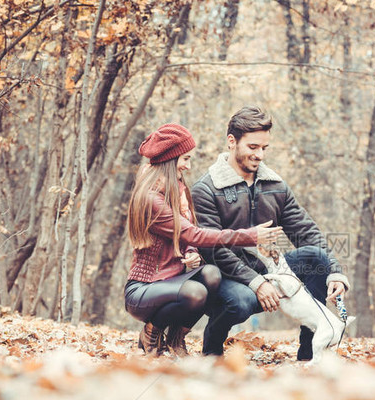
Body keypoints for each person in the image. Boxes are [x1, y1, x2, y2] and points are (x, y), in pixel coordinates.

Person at [191, 107, 350, 360]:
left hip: (270, 271)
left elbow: (306, 231)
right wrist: (257, 283)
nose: (260, 155)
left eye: (264, 148)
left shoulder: (275, 186)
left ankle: (310, 353)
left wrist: (335, 272)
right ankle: (212, 350)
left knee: (316, 257)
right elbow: (211, 249)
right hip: (226, 277)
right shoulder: (206, 189)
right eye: (253, 147)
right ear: (232, 142)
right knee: (240, 302)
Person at [124, 123, 282, 356]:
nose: (188, 166)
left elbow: (188, 235)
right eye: (184, 159)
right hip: (145, 288)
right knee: (196, 293)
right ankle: (151, 330)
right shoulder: (150, 199)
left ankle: (177, 337)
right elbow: (192, 233)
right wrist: (248, 236)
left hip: (172, 280)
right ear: (170, 159)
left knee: (211, 274)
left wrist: (191, 252)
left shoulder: (178, 191)